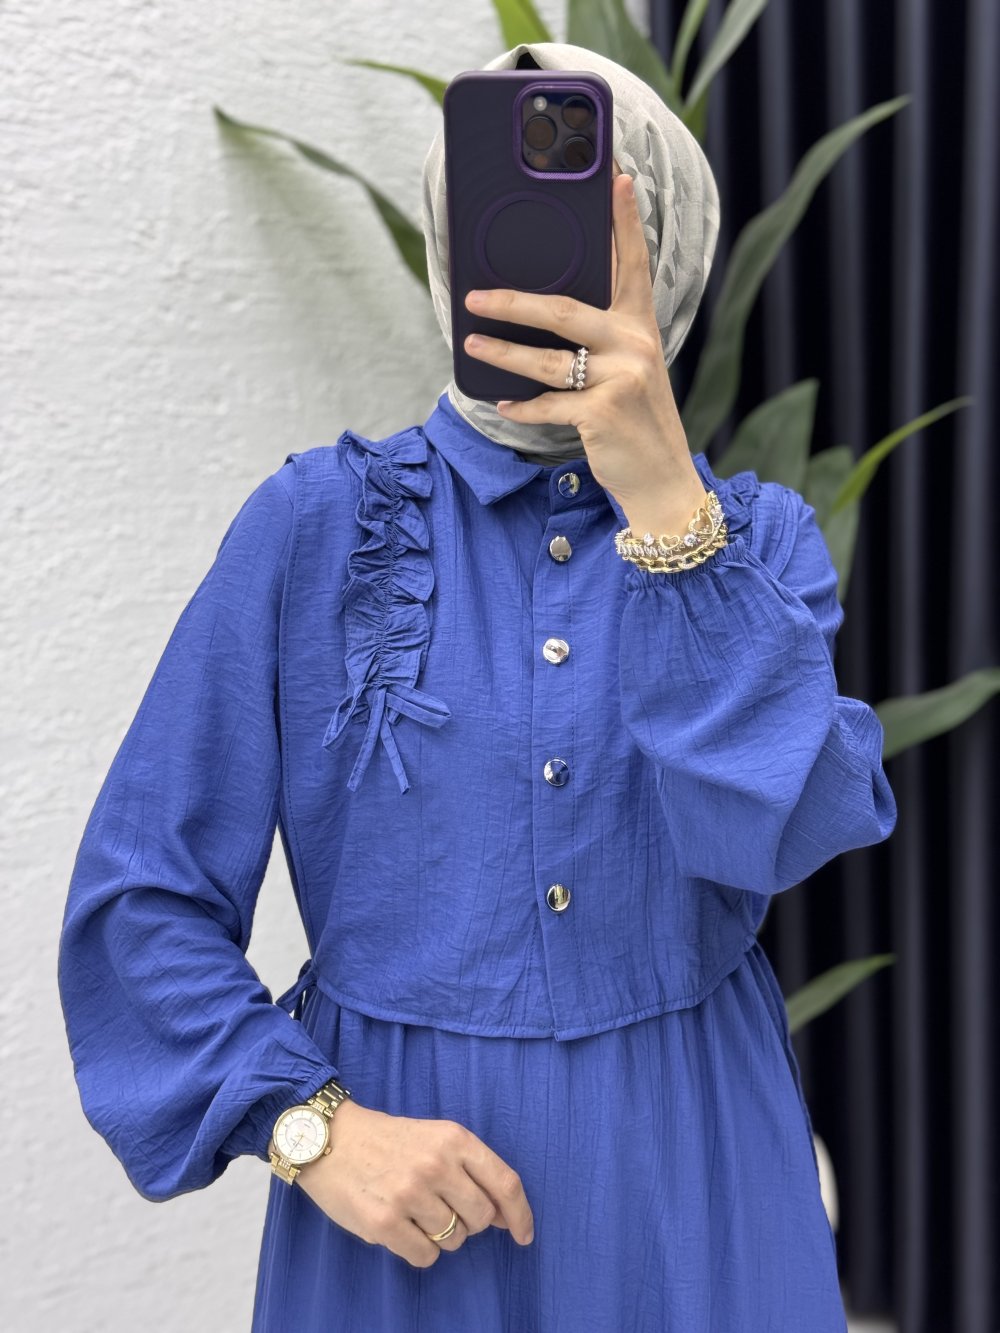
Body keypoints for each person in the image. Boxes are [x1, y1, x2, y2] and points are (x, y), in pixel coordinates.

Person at [57, 39, 897, 1333]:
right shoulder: (315, 528)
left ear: (668, 250)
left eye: (598, 233)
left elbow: (778, 833)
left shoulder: (753, 545)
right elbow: (140, 899)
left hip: (694, 1178)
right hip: (404, 1217)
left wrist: (664, 503)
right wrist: (312, 1129)